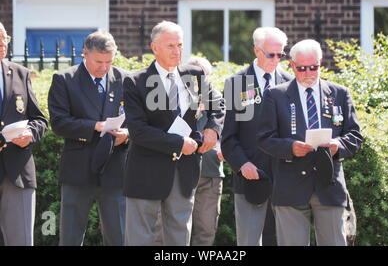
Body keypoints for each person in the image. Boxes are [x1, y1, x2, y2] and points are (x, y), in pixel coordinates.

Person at [123, 21, 225, 246]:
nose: (177, 51)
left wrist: (213, 130)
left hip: (184, 171)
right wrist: (178, 143)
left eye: (180, 45)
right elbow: (138, 131)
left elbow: (218, 105)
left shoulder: (195, 74)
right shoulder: (135, 82)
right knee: (140, 239)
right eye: (170, 46)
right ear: (154, 47)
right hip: (145, 172)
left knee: (180, 239)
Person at [257, 39, 363, 246]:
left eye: (313, 67)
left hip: (329, 184)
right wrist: (290, 147)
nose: (308, 73)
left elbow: (355, 135)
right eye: (302, 68)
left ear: (321, 63)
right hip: (290, 185)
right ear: (292, 66)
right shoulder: (275, 95)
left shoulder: (339, 93)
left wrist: (337, 145)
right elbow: (264, 138)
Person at [48, 30, 130, 246]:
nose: (104, 68)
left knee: (120, 237)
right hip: (78, 169)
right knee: (71, 238)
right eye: (98, 62)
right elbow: (58, 122)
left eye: (109, 62)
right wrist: (95, 126)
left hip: (115, 170)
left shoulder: (125, 79)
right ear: (84, 54)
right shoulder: (65, 79)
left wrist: (127, 135)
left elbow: (137, 119)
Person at [221, 26, 293, 246]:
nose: (276, 59)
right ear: (256, 51)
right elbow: (228, 137)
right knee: (249, 242)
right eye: (270, 54)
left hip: (285, 178)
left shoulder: (290, 83)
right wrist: (242, 164)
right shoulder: (236, 83)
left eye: (280, 54)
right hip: (251, 177)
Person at [0, 22, 48, 246]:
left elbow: (40, 119)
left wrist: (31, 133)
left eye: (4, 39)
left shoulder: (21, 73)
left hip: (17, 172)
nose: (2, 44)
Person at [186, 56, 225, 246]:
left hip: (210, 174)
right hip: (178, 174)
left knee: (205, 233)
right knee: (168, 233)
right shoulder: (173, 97)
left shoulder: (218, 100)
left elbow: (229, 131)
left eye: (203, 76)